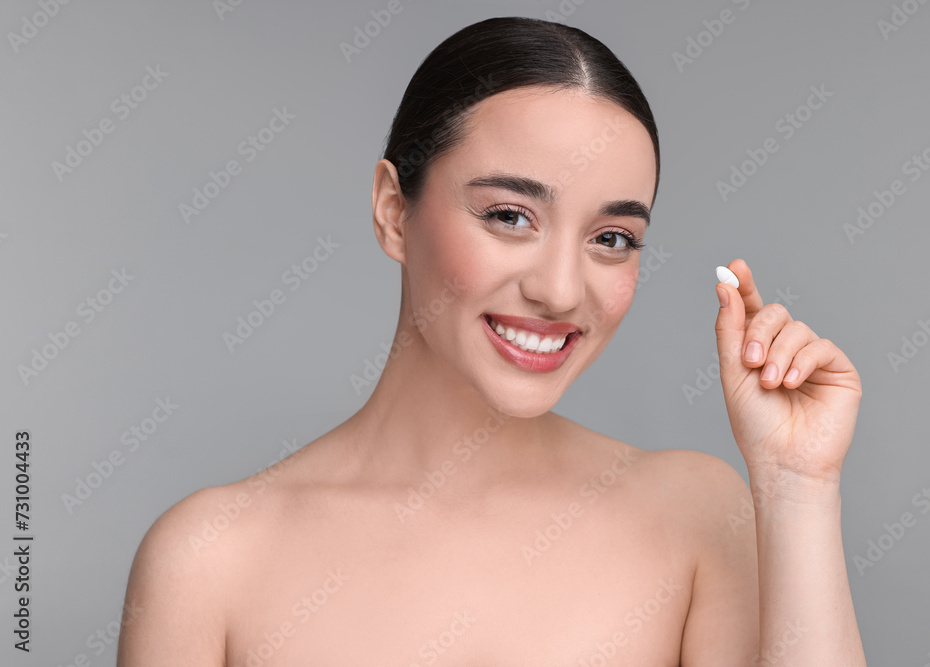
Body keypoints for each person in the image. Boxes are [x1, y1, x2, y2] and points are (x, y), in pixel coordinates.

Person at [118, 16, 865, 666]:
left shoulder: (697, 514)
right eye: (510, 216)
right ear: (391, 210)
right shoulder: (208, 560)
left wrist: (797, 487)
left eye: (612, 237)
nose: (560, 289)